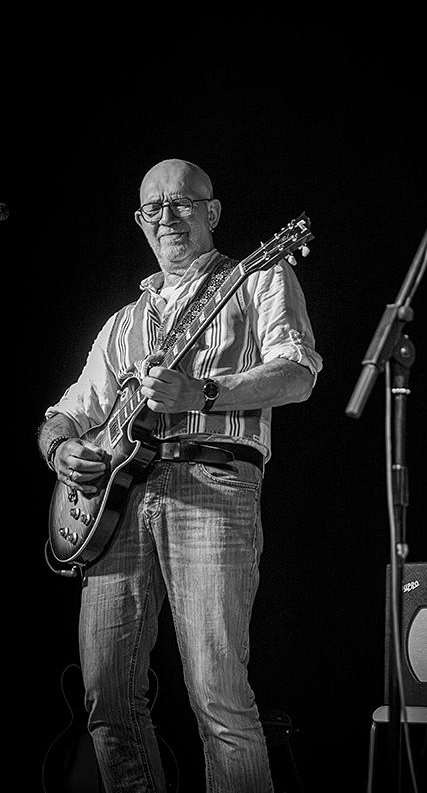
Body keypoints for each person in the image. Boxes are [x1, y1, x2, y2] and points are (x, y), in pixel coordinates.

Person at [38, 158, 322, 793]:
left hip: (211, 484)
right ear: (141, 223)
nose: (167, 217)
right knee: (107, 698)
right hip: (117, 504)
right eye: (153, 208)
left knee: (217, 695)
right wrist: (60, 451)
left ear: (212, 212)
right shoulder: (123, 323)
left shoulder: (257, 277)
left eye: (182, 203)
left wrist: (201, 392)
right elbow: (66, 412)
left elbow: (298, 373)